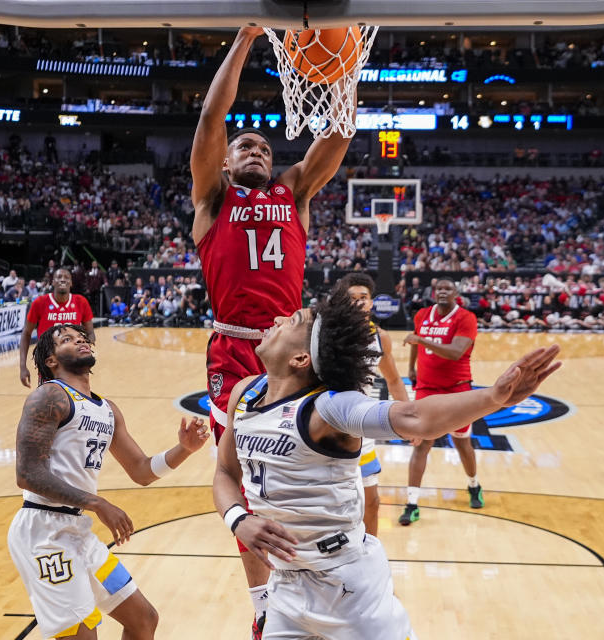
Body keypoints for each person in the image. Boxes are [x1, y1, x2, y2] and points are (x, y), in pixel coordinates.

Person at [212, 296, 562, 640]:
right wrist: (238, 520)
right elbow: (225, 473)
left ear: (301, 358)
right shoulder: (245, 393)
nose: (276, 320)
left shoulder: (328, 409)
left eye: (291, 322)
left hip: (346, 587)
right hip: (285, 587)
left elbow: (414, 416)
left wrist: (491, 398)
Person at [189, 26, 358, 637]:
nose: (255, 150)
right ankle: (263, 602)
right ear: (227, 162)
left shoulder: (293, 192)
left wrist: (342, 67)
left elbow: (337, 133)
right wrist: (245, 36)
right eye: (244, 147)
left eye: (263, 147)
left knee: (314, 468)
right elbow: (212, 115)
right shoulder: (212, 201)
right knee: (246, 478)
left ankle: (331, 574)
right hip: (234, 351)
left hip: (295, 346)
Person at [8, 324, 210, 639]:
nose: (80, 340)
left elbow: (142, 470)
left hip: (78, 532)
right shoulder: (50, 396)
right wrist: (96, 502)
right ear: (51, 360)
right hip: (44, 534)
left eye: (81, 337)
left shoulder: (107, 409)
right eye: (67, 339)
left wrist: (183, 450)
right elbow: (28, 473)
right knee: (84, 635)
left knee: (143, 619)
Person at [399, 279, 481, 526]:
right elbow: (416, 341)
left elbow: (455, 352)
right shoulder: (423, 314)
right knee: (421, 445)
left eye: (448, 289)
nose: (443, 292)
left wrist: (422, 341)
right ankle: (411, 504)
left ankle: (473, 485)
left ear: (456, 294)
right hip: (426, 388)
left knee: (462, 443)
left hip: (456, 390)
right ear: (434, 293)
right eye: (439, 289)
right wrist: (411, 366)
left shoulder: (466, 318)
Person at [332, 273, 409, 537]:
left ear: (371, 303)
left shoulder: (380, 337)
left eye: (362, 298)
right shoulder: (324, 332)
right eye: (351, 298)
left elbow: (395, 380)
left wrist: (412, 420)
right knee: (330, 505)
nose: (357, 303)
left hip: (360, 426)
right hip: (326, 425)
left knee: (371, 502)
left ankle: (369, 558)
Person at [19, 268, 95, 387]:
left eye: (66, 277)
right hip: (49, 364)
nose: (62, 280)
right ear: (53, 282)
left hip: (73, 362)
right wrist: (23, 366)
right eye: (59, 277)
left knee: (78, 402)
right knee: (49, 402)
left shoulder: (81, 301)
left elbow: (90, 332)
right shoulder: (39, 302)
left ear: (71, 282)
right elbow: (26, 333)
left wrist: (85, 352)